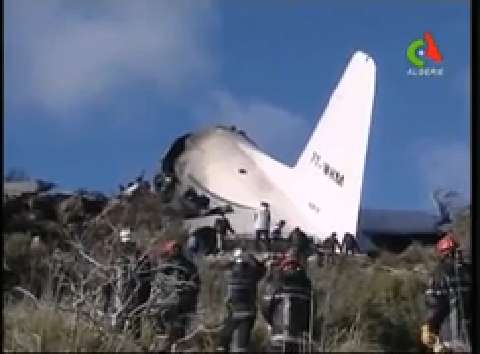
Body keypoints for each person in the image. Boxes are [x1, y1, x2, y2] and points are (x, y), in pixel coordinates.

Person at [421, 233, 471, 353]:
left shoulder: (440, 273)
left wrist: (428, 326)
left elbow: (434, 305)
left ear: (443, 253)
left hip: (450, 340)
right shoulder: (469, 271)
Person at [149, 240, 201, 351]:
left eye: (177, 248)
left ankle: (171, 344)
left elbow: (195, 284)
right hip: (166, 301)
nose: (175, 251)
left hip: (183, 303)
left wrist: (184, 288)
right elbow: (157, 283)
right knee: (157, 315)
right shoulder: (164, 266)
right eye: (173, 249)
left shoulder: (188, 266)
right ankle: (164, 341)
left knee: (178, 330)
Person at [104, 228, 152, 339]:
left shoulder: (142, 259)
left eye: (128, 242)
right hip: (118, 302)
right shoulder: (116, 259)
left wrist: (143, 301)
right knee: (117, 333)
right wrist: (106, 301)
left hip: (135, 302)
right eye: (125, 243)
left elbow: (146, 282)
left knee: (134, 333)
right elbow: (109, 281)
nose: (127, 245)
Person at [261, 253, 313, 353]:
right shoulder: (306, 285)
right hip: (299, 338)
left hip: (278, 336)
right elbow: (311, 312)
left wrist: (271, 323)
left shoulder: (276, 283)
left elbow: (266, 307)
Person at [220, 248, 266, 352]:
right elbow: (262, 270)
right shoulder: (252, 273)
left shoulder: (231, 273)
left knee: (225, 343)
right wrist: (256, 261)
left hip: (236, 313)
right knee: (239, 345)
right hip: (245, 313)